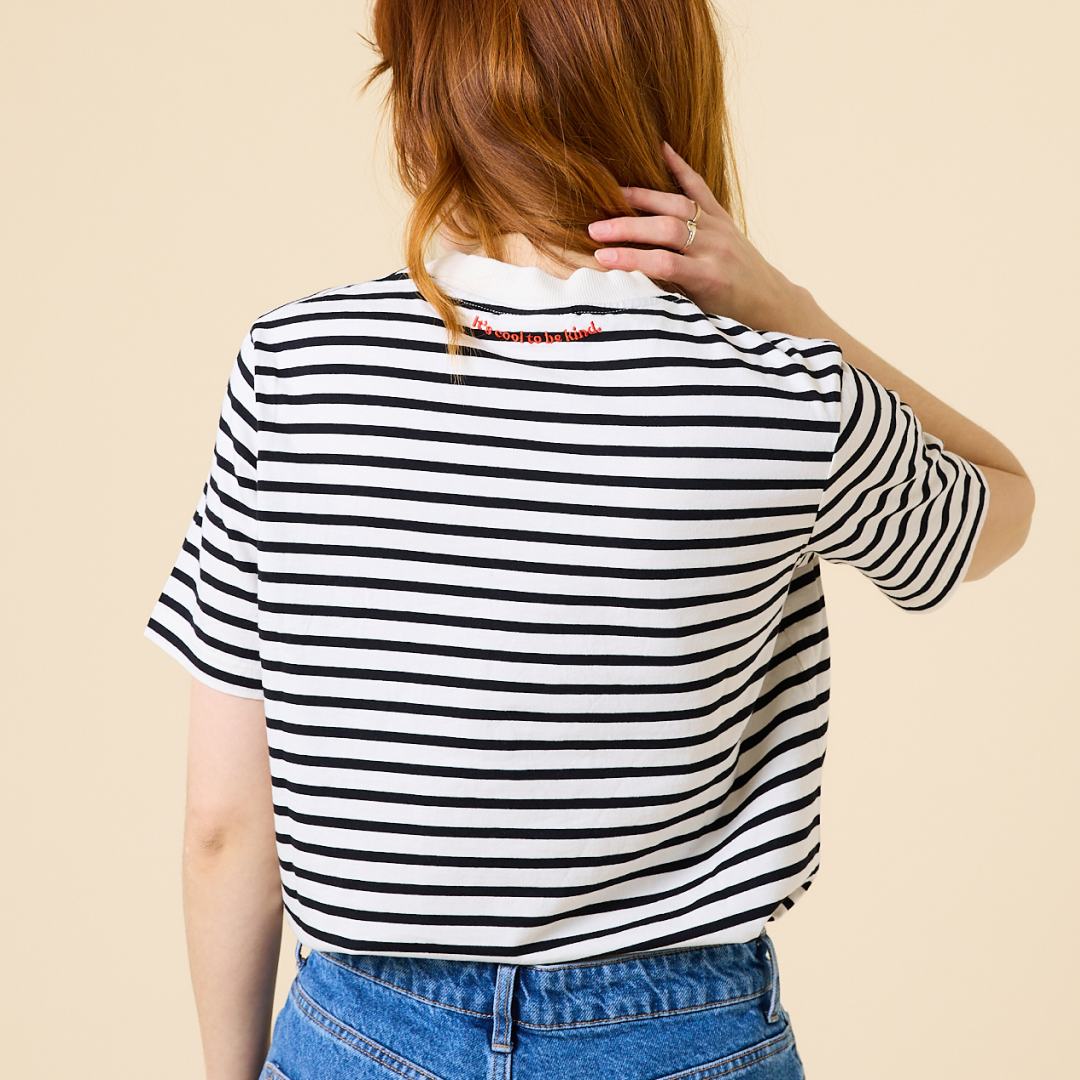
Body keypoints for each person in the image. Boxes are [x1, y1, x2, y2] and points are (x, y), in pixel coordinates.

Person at [144, 2, 1035, 1078]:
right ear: (668, 97)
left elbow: (223, 826)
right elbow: (1003, 498)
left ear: (426, 112)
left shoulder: (297, 369)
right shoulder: (783, 397)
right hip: (683, 1034)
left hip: (362, 1030)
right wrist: (802, 316)